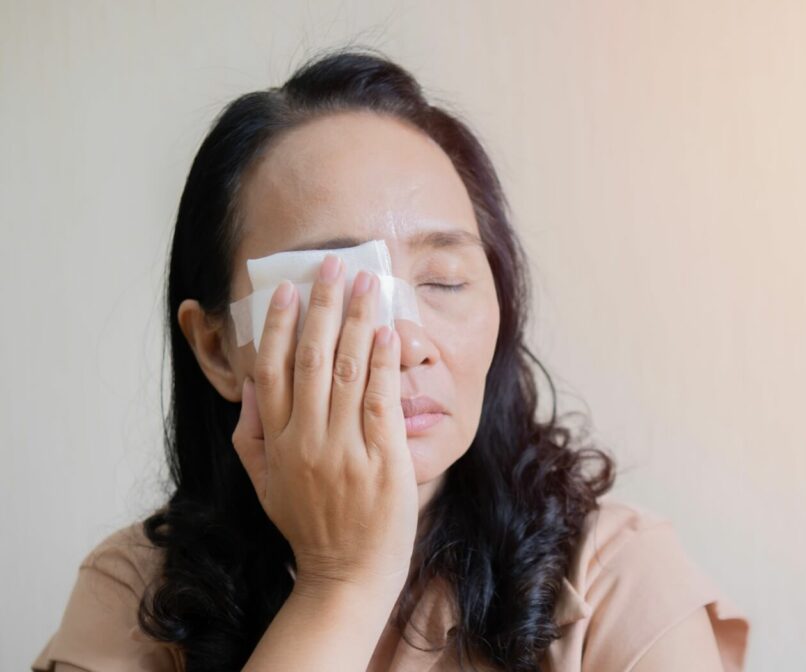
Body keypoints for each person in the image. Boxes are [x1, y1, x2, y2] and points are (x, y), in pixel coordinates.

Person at [32, 48, 748, 672]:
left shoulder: (613, 580)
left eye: (444, 283)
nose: (407, 342)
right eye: (340, 294)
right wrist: (339, 584)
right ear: (217, 348)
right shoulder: (134, 593)